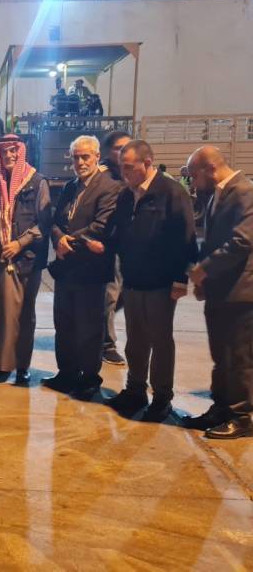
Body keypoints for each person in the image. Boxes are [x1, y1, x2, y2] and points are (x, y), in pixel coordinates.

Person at [106, 140, 197, 422]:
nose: (124, 173)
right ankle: (135, 390)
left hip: (161, 283)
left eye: (129, 168)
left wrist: (180, 279)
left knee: (160, 341)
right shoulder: (126, 195)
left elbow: (186, 237)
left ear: (147, 163)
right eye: (122, 168)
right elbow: (118, 233)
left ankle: (161, 398)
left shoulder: (171, 192)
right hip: (133, 280)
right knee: (135, 340)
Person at [184, 147, 253, 439]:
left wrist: (204, 269)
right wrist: (205, 281)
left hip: (240, 293)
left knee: (239, 357)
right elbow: (213, 241)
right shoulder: (217, 194)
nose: (192, 182)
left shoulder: (245, 191)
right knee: (221, 355)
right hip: (220, 291)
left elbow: (242, 241)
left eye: (193, 176)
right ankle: (221, 407)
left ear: (209, 168)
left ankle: (242, 416)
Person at [44, 136, 120, 399]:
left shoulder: (110, 187)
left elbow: (101, 226)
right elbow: (55, 221)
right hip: (66, 269)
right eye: (75, 157)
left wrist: (69, 242)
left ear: (97, 156)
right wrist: (58, 238)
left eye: (85, 157)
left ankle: (89, 378)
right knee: (64, 324)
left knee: (89, 328)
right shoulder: (70, 187)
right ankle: (66, 373)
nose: (80, 162)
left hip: (91, 270)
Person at [0, 135, 52, 383]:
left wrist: (20, 243)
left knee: (22, 314)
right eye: (4, 151)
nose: (9, 155)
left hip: (25, 258)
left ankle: (21, 366)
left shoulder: (37, 182)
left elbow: (44, 224)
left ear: (21, 152)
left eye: (13, 151)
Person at [98, 130, 132, 366]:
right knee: (110, 295)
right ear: (108, 152)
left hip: (130, 248)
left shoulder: (132, 174)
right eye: (118, 148)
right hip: (108, 246)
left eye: (127, 147)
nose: (123, 152)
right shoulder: (102, 177)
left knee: (124, 296)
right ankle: (106, 344)